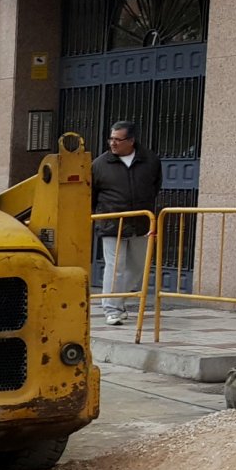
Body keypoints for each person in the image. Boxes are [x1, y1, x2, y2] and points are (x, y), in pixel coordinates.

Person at [91, 120, 161, 326]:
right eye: (111, 139)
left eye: (118, 139)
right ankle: (111, 309)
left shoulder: (150, 160)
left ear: (131, 141)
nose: (113, 143)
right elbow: (92, 194)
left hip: (141, 221)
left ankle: (118, 300)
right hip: (112, 222)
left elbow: (155, 187)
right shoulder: (100, 164)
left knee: (138, 265)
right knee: (115, 266)